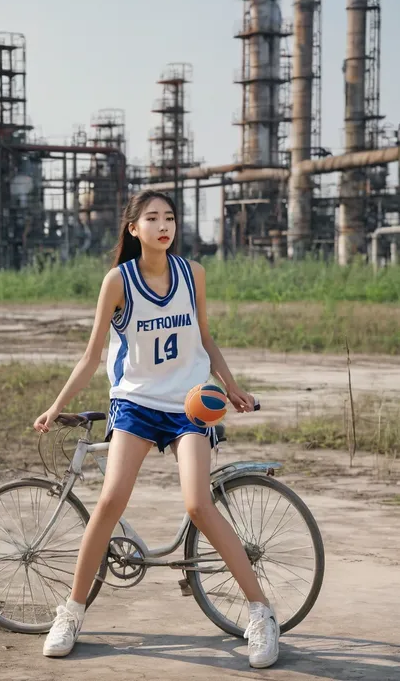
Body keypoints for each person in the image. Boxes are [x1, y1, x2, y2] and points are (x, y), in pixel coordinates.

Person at [33, 189, 279, 669]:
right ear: (133, 228)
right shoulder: (118, 281)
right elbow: (91, 357)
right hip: (136, 404)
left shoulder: (193, 274)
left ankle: (261, 613)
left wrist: (231, 388)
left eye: (169, 217)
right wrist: (55, 405)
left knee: (198, 503)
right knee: (108, 501)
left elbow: (205, 339)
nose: (163, 225)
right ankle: (72, 611)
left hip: (189, 405)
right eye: (152, 218)